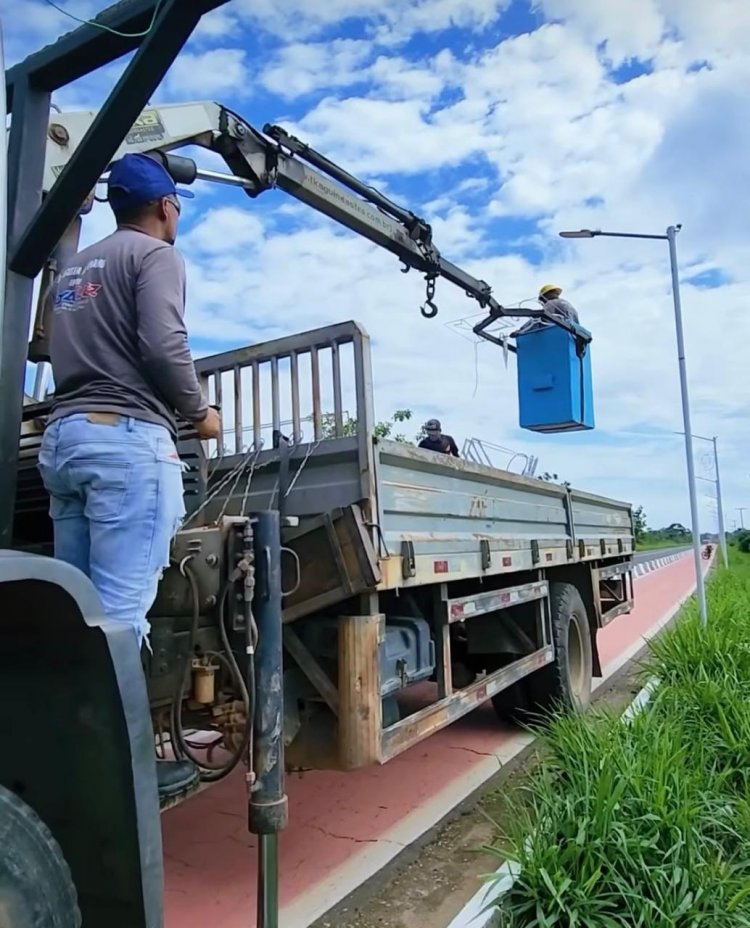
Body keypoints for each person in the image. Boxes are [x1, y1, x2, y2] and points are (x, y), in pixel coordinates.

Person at [37, 153, 221, 794]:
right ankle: (122, 776)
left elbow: (61, 310)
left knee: (75, 613)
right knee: (118, 620)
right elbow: (164, 343)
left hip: (65, 440)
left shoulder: (76, 265)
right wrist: (199, 412)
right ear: (167, 207)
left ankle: (65, 753)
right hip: (124, 445)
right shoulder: (156, 256)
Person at [516, 284, 580, 335]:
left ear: (546, 295)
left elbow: (539, 320)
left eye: (542, 299)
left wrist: (521, 330)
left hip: (559, 335)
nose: (542, 302)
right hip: (574, 337)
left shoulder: (551, 303)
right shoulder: (567, 304)